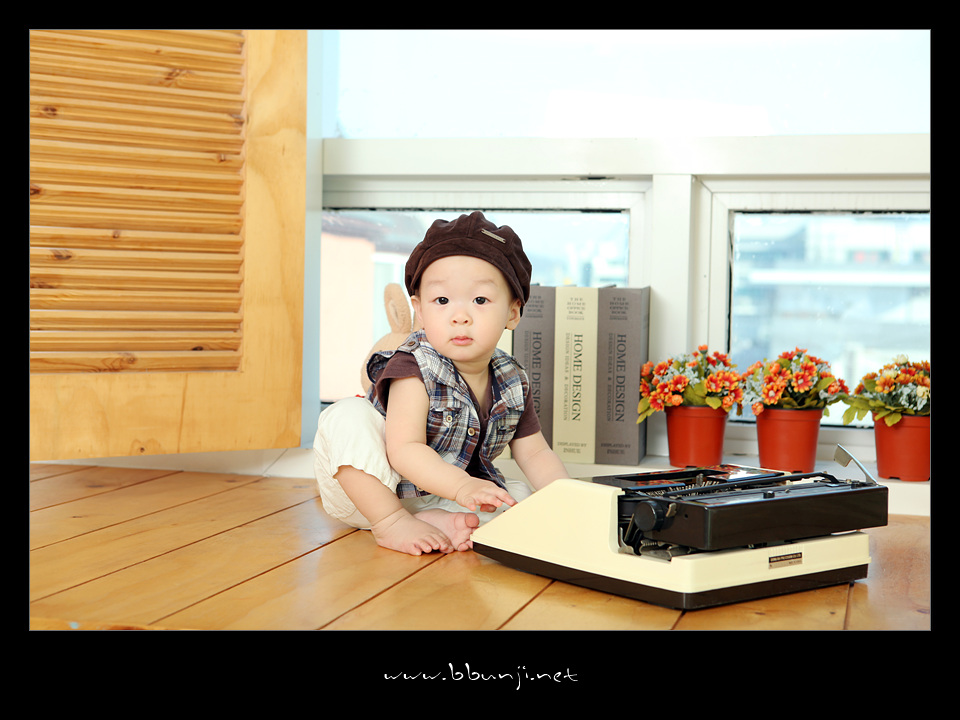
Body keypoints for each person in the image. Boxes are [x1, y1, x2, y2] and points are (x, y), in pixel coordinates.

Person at [313, 211, 569, 556]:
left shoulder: (512, 380)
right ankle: (391, 522)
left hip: (440, 494)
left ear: (513, 312)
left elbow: (535, 453)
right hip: (369, 490)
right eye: (442, 301)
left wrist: (567, 500)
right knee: (346, 415)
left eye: (480, 300)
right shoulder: (414, 365)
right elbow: (404, 449)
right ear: (420, 311)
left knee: (518, 499)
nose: (459, 316)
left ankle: (434, 520)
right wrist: (462, 486)